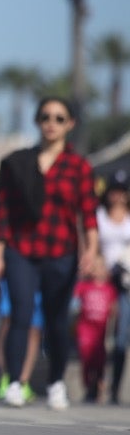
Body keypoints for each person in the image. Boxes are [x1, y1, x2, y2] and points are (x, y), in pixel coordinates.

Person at [0, 97, 98, 410]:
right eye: (46, 117)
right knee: (20, 315)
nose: (52, 123)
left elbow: (88, 213)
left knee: (57, 321)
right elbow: (3, 213)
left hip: (61, 252)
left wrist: (91, 250)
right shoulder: (16, 163)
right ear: (38, 121)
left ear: (70, 124)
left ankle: (56, 383)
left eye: (59, 118)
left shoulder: (79, 167)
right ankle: (14, 383)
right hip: (20, 250)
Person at [97, 171, 130, 403]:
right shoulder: (99, 217)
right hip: (101, 281)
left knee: (120, 337)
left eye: (122, 191)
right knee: (97, 335)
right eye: (113, 191)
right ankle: (94, 383)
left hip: (126, 283)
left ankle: (114, 389)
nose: (117, 196)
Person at [72, 254, 118, 403]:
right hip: (85, 329)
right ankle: (87, 385)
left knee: (99, 360)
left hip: (101, 332)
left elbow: (114, 310)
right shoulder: (84, 286)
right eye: (95, 267)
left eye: (100, 267)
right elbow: (74, 304)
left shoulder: (110, 289)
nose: (97, 270)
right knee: (86, 358)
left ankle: (97, 386)